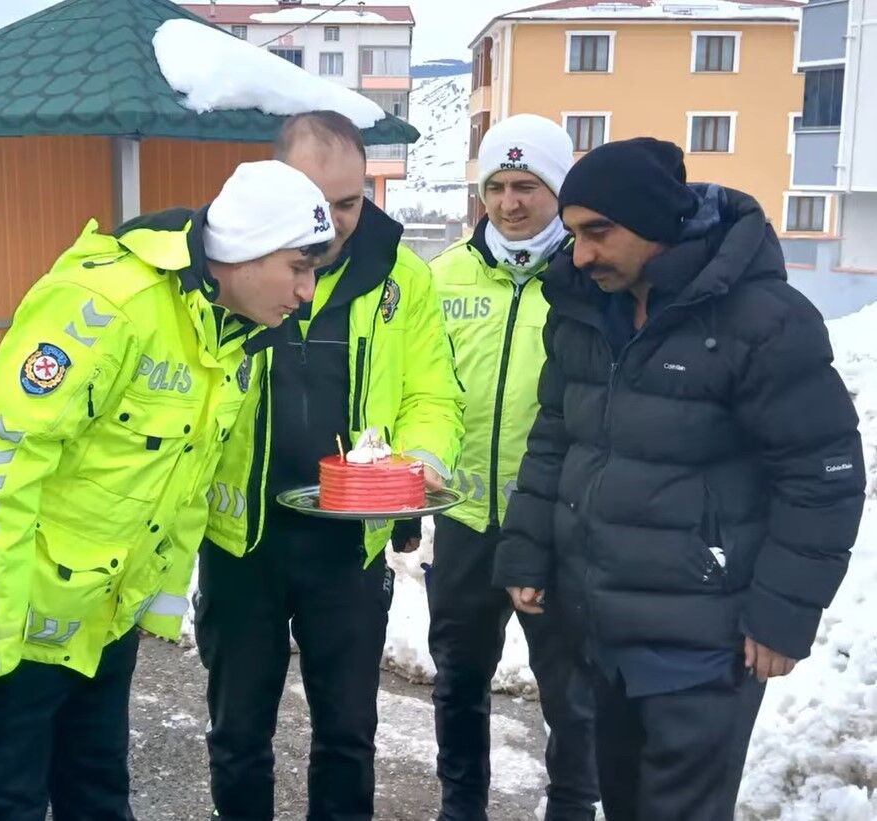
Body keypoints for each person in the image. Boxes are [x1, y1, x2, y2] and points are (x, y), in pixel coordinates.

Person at [0, 159, 334, 820]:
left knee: (99, 800)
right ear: (244, 251)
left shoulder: (235, 342)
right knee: (9, 807)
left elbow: (185, 487)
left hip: (98, 627)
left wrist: (149, 610)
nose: (306, 291)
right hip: (10, 636)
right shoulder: (110, 305)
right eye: (297, 266)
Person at [495, 137, 865, 821]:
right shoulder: (581, 309)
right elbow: (553, 438)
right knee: (626, 802)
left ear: (655, 222)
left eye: (597, 232)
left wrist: (783, 613)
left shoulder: (764, 321)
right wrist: (526, 547)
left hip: (704, 636)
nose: (579, 254)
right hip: (601, 622)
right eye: (573, 234)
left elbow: (823, 474)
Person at [196, 110, 465, 821]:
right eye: (315, 199)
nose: (333, 220)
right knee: (236, 733)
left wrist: (422, 460)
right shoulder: (228, 265)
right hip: (240, 540)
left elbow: (432, 392)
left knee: (347, 734)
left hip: (348, 542)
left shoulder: (401, 275)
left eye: (348, 202)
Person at [427, 114, 598, 821]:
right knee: (457, 679)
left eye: (526, 185)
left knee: (569, 690)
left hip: (558, 526)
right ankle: (460, 804)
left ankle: (569, 807)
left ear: (555, 188)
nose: (509, 202)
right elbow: (421, 390)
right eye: (495, 185)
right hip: (466, 520)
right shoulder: (442, 276)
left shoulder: (588, 278)